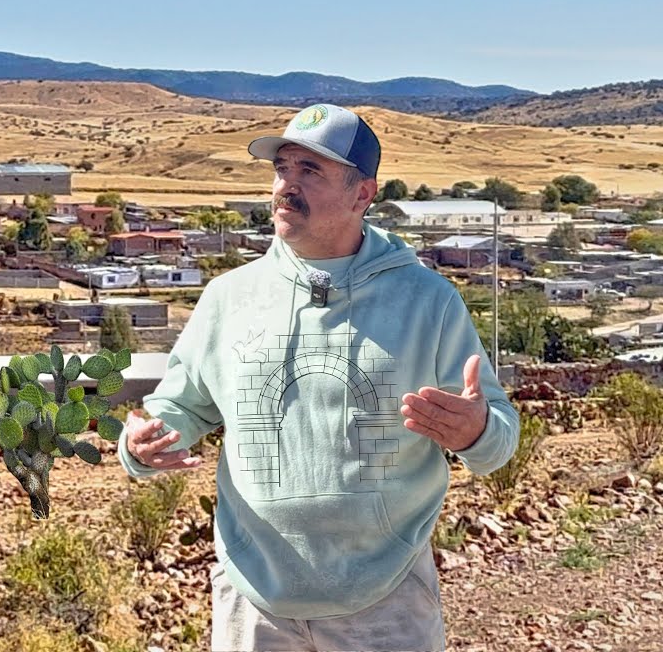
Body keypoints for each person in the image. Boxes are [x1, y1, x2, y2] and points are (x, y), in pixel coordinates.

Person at [118, 103, 519, 652]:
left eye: (312, 171)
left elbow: (497, 436)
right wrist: (144, 444)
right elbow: (184, 406)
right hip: (253, 599)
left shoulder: (428, 302)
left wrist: (476, 432)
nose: (287, 186)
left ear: (363, 194)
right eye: (283, 168)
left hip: (387, 595)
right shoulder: (228, 298)